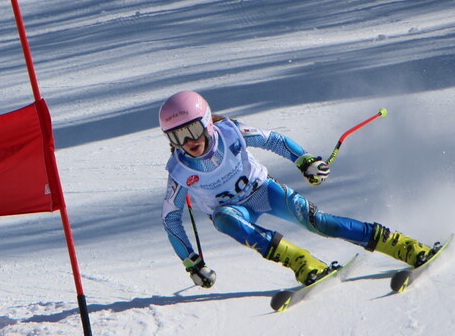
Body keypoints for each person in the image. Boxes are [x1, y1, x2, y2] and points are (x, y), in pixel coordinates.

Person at [158, 90, 439, 289]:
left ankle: (406, 247)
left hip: (263, 191)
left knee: (320, 223)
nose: (188, 141)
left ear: (207, 122)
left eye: (192, 129)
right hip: (235, 211)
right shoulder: (180, 171)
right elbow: (171, 218)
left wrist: (305, 160)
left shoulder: (231, 132)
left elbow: (274, 140)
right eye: (177, 136)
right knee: (224, 219)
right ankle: (303, 263)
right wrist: (191, 263)